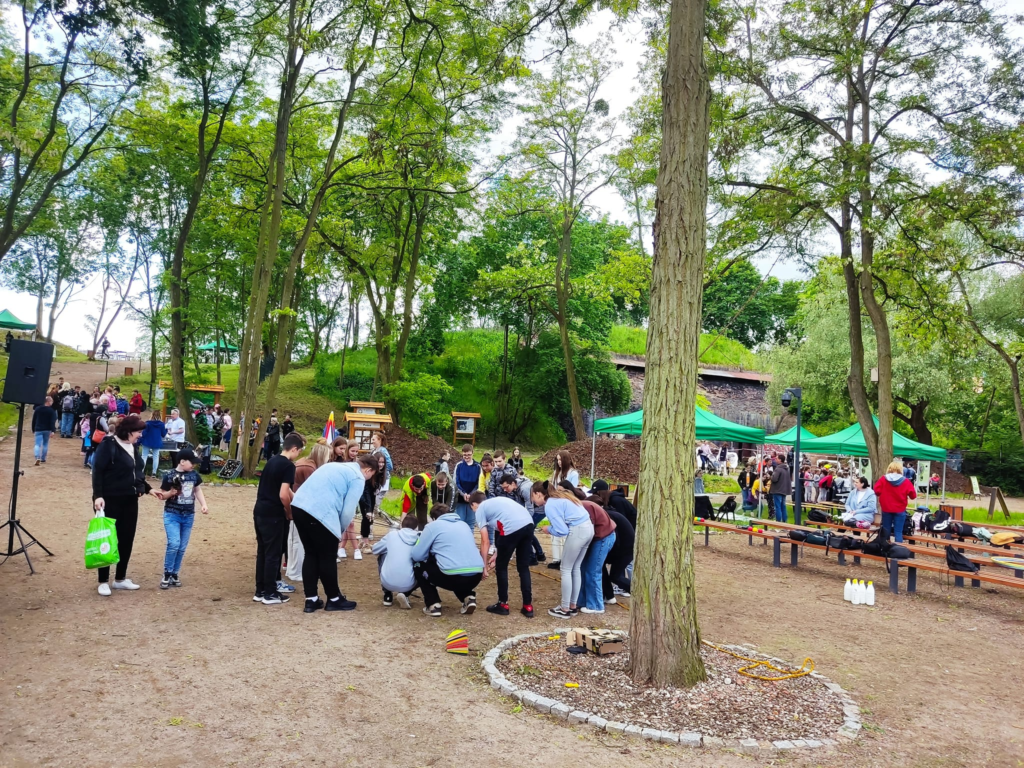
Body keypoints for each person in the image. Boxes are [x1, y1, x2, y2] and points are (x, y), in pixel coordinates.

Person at [290, 454, 378, 613]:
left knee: (311, 553)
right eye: (372, 475)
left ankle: (311, 599)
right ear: (368, 470)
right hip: (320, 513)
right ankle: (334, 599)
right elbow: (348, 511)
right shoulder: (357, 477)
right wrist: (339, 531)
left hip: (298, 506)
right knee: (327, 557)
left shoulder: (333, 466)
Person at [91, 415, 156, 596]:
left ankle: (120, 578)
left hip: (130, 499)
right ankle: (103, 581)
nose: (140, 435)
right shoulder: (108, 444)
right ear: (128, 431)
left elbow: (137, 473)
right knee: (107, 539)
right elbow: (97, 471)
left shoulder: (133, 447)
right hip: (109, 499)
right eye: (138, 432)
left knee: (126, 539)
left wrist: (149, 489)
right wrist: (98, 495)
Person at [252, 432, 305, 605]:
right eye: (299, 451)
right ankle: (270, 593)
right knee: (273, 554)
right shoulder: (288, 466)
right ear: (294, 449)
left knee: (263, 552)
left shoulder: (272, 461)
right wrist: (289, 511)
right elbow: (283, 494)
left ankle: (260, 590)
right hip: (274, 513)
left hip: (260, 510)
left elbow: (285, 489)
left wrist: (298, 499)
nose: (299, 455)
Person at [531, 481, 594, 619]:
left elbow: (562, 530)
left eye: (532, 496)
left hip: (578, 531)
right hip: (588, 528)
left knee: (565, 569)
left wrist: (549, 529)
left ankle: (565, 608)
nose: (532, 500)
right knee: (575, 568)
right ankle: (572, 605)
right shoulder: (562, 497)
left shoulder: (550, 504)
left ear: (538, 494)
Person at [410, 503, 484, 617]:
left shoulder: (432, 526)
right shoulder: (464, 525)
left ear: (434, 518)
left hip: (451, 576)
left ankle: (433, 604)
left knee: (419, 565)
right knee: (455, 566)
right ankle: (468, 597)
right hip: (476, 574)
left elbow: (417, 555)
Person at [469, 491, 535, 618]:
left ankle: (503, 604)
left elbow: (485, 541)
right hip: (528, 524)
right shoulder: (496, 504)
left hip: (512, 527)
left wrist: (483, 566)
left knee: (501, 567)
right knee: (523, 567)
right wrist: (497, 554)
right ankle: (528, 606)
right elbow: (501, 532)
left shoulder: (480, 509)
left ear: (473, 504)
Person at [158, 447, 209, 589]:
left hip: (188, 515)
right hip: (172, 514)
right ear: (182, 462)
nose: (194, 465)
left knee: (181, 547)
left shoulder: (194, 475)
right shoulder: (169, 476)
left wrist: (203, 504)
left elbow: (197, 489)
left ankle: (175, 573)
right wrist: (171, 493)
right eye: (192, 462)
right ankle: (167, 572)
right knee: (174, 543)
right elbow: (162, 495)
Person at [286, 439, 333, 585]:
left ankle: (292, 569)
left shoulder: (306, 463)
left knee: (294, 539)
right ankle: (296, 571)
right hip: (300, 506)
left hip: (296, 504)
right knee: (298, 541)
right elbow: (313, 490)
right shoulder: (309, 468)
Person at [571, 487, 616, 615]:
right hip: (594, 537)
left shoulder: (583, 508)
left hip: (602, 537)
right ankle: (582, 601)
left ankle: (596, 605)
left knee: (593, 571)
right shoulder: (579, 507)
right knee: (583, 568)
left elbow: (587, 530)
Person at [372, 514, 420, 609]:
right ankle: (405, 594)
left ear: (401, 525)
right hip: (410, 584)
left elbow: (375, 549)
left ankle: (387, 595)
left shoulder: (392, 535)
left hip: (387, 582)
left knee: (382, 555)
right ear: (416, 527)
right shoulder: (419, 537)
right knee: (420, 563)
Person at [499, 472, 544, 565]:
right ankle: (540, 554)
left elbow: (530, 508)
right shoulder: (516, 488)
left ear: (513, 483)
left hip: (539, 510)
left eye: (506, 487)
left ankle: (532, 558)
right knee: (528, 532)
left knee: (525, 531)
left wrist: (524, 522)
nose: (505, 490)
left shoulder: (524, 489)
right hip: (535, 509)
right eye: (503, 488)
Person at [547, 450, 579, 570]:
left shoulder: (573, 474)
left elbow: (571, 491)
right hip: (556, 505)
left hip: (566, 506)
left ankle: (565, 559)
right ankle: (556, 559)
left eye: (561, 459)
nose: (559, 462)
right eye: (557, 459)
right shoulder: (556, 473)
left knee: (565, 533)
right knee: (555, 532)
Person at [874, 461, 917, 544]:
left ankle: (885, 547)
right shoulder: (906, 481)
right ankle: (897, 549)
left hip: (886, 508)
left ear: (889, 469)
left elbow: (877, 491)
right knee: (898, 531)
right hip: (900, 509)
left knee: (886, 530)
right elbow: (913, 496)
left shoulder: (883, 479)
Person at [453, 444, 482, 528]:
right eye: (465, 455)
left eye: (469, 454)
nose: (466, 457)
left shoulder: (478, 466)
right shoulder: (459, 465)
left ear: (472, 453)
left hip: (473, 497)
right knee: (460, 520)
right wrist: (463, 493)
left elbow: (479, 482)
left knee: (471, 521)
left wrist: (471, 494)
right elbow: (456, 481)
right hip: (461, 497)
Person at [140, 410, 168, 478]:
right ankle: (154, 473)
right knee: (156, 457)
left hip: (147, 441)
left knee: (144, 456)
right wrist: (166, 430)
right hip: (156, 442)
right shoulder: (161, 424)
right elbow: (163, 434)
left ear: (152, 415)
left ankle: (141, 471)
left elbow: (144, 433)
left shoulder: (147, 423)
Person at [370, 431, 392, 511]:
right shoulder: (373, 450)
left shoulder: (383, 451)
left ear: (379, 440)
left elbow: (389, 465)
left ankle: (375, 512)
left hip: (382, 479)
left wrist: (381, 472)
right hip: (374, 478)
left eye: (374, 439)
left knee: (378, 499)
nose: (372, 441)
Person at [31, 396, 57, 465]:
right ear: (48, 402)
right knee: (45, 444)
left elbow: (34, 420)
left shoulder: (37, 409)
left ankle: (37, 457)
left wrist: (33, 428)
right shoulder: (51, 411)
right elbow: (52, 422)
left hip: (38, 429)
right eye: (51, 401)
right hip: (47, 429)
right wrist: (53, 430)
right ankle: (43, 458)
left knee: (37, 444)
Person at [769, 452, 792, 522]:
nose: (775, 460)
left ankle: (778, 521)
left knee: (778, 506)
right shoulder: (787, 468)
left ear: (780, 460)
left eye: (777, 459)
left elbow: (774, 479)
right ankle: (784, 520)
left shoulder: (778, 469)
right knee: (783, 506)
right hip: (784, 490)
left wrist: (770, 476)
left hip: (777, 489)